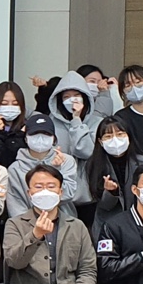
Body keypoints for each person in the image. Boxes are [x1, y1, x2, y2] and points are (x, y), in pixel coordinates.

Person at [46, 71, 103, 222]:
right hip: (60, 195)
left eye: (76, 95)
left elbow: (86, 151)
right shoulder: (51, 123)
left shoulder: (97, 122)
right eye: (66, 97)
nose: (72, 100)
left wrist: (76, 120)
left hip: (89, 195)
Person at [5, 113, 79, 219]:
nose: (40, 138)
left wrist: (56, 171)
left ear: (54, 138)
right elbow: (15, 204)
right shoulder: (15, 168)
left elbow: (68, 195)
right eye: (34, 133)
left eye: (46, 133)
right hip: (27, 224)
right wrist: (27, 225)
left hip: (63, 221)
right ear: (26, 138)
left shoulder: (66, 161)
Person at [83, 117, 143, 219]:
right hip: (109, 221)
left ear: (128, 136)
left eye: (120, 134)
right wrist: (110, 192)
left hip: (140, 218)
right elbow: (104, 205)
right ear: (100, 141)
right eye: (108, 136)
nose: (115, 140)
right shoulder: (94, 164)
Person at [0, 81, 28, 166]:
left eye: (15, 104)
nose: (10, 107)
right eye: (4, 103)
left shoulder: (26, 127)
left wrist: (19, 136)